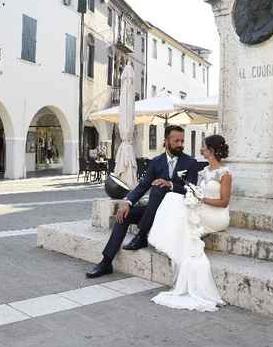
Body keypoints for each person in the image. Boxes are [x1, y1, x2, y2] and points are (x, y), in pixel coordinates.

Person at [86, 125, 199, 278]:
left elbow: (191, 190)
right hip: (154, 211)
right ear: (166, 141)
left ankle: (142, 234)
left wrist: (171, 185)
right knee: (124, 214)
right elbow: (143, 186)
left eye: (182, 141)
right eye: (176, 141)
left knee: (159, 187)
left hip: (175, 213)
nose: (180, 144)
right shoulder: (156, 162)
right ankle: (106, 262)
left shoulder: (190, 163)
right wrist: (128, 202)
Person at [148, 135, 232, 312]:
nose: (201, 149)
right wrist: (194, 196)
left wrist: (201, 199)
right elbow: (197, 191)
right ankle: (168, 241)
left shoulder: (225, 174)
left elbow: (224, 202)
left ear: (211, 150)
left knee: (182, 213)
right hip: (203, 208)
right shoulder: (204, 171)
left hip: (217, 215)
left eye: (204, 147)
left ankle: (174, 246)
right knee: (172, 198)